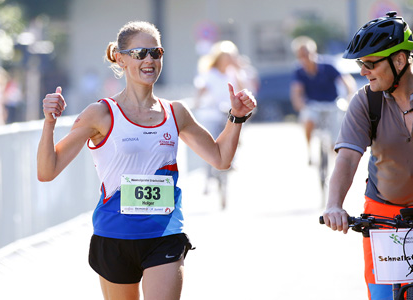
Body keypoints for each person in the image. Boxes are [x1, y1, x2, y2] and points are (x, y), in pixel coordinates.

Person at [37, 21, 256, 300]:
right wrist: (48, 124)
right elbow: (47, 171)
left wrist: (235, 118)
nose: (150, 60)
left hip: (164, 233)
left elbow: (221, 158)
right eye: (140, 53)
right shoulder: (100, 114)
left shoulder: (176, 112)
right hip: (115, 234)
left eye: (156, 52)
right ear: (121, 58)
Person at [321, 12, 413, 300]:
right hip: (383, 213)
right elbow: (347, 158)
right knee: (383, 296)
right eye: (361, 64)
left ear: (398, 60)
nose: (362, 71)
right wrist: (334, 205)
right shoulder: (365, 101)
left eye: (370, 63)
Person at [193, 40, 258, 200]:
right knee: (210, 142)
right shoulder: (210, 74)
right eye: (227, 57)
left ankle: (232, 159)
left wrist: (238, 70)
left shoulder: (234, 73)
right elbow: (201, 90)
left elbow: (244, 89)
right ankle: (208, 178)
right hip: (211, 112)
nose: (229, 61)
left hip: (228, 111)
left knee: (237, 131)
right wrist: (197, 103)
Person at [290, 36, 356, 164]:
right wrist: (298, 103)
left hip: (332, 103)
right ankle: (309, 150)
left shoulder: (327, 66)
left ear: (313, 52)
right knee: (308, 120)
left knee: (335, 136)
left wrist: (348, 97)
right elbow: (296, 90)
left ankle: (336, 163)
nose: (304, 58)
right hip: (312, 104)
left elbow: (346, 81)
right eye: (300, 55)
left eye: (306, 54)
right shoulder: (299, 71)